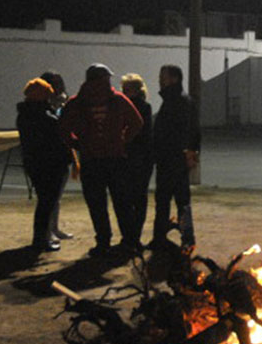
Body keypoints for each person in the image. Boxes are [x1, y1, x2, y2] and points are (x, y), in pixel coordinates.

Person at [58, 63, 142, 256]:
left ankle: (103, 241)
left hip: (90, 159)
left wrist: (77, 143)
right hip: (115, 159)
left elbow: (63, 129)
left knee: (97, 204)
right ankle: (130, 241)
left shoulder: (76, 102)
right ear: (104, 79)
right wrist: (122, 140)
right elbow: (137, 123)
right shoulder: (118, 100)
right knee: (122, 202)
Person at [16, 78, 71, 251]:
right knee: (47, 203)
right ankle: (42, 240)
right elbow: (59, 133)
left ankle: (43, 237)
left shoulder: (25, 114)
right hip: (49, 165)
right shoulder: (43, 116)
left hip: (35, 163)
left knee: (45, 202)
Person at [151, 64, 199, 249]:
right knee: (181, 200)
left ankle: (162, 237)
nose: (160, 80)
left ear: (174, 79)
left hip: (171, 159)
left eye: (163, 76)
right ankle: (186, 237)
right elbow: (194, 130)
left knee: (165, 200)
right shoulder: (181, 100)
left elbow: (185, 131)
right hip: (175, 159)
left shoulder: (176, 101)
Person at [119, 73, 153, 253]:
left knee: (130, 199)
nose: (124, 92)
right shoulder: (145, 107)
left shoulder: (132, 107)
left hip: (134, 157)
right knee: (138, 199)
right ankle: (134, 237)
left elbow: (141, 133)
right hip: (141, 158)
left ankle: (130, 237)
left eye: (127, 89)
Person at [39, 70, 74, 241]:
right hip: (49, 156)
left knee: (56, 197)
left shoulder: (60, 104)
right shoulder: (43, 108)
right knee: (49, 198)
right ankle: (47, 232)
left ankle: (54, 228)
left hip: (61, 154)